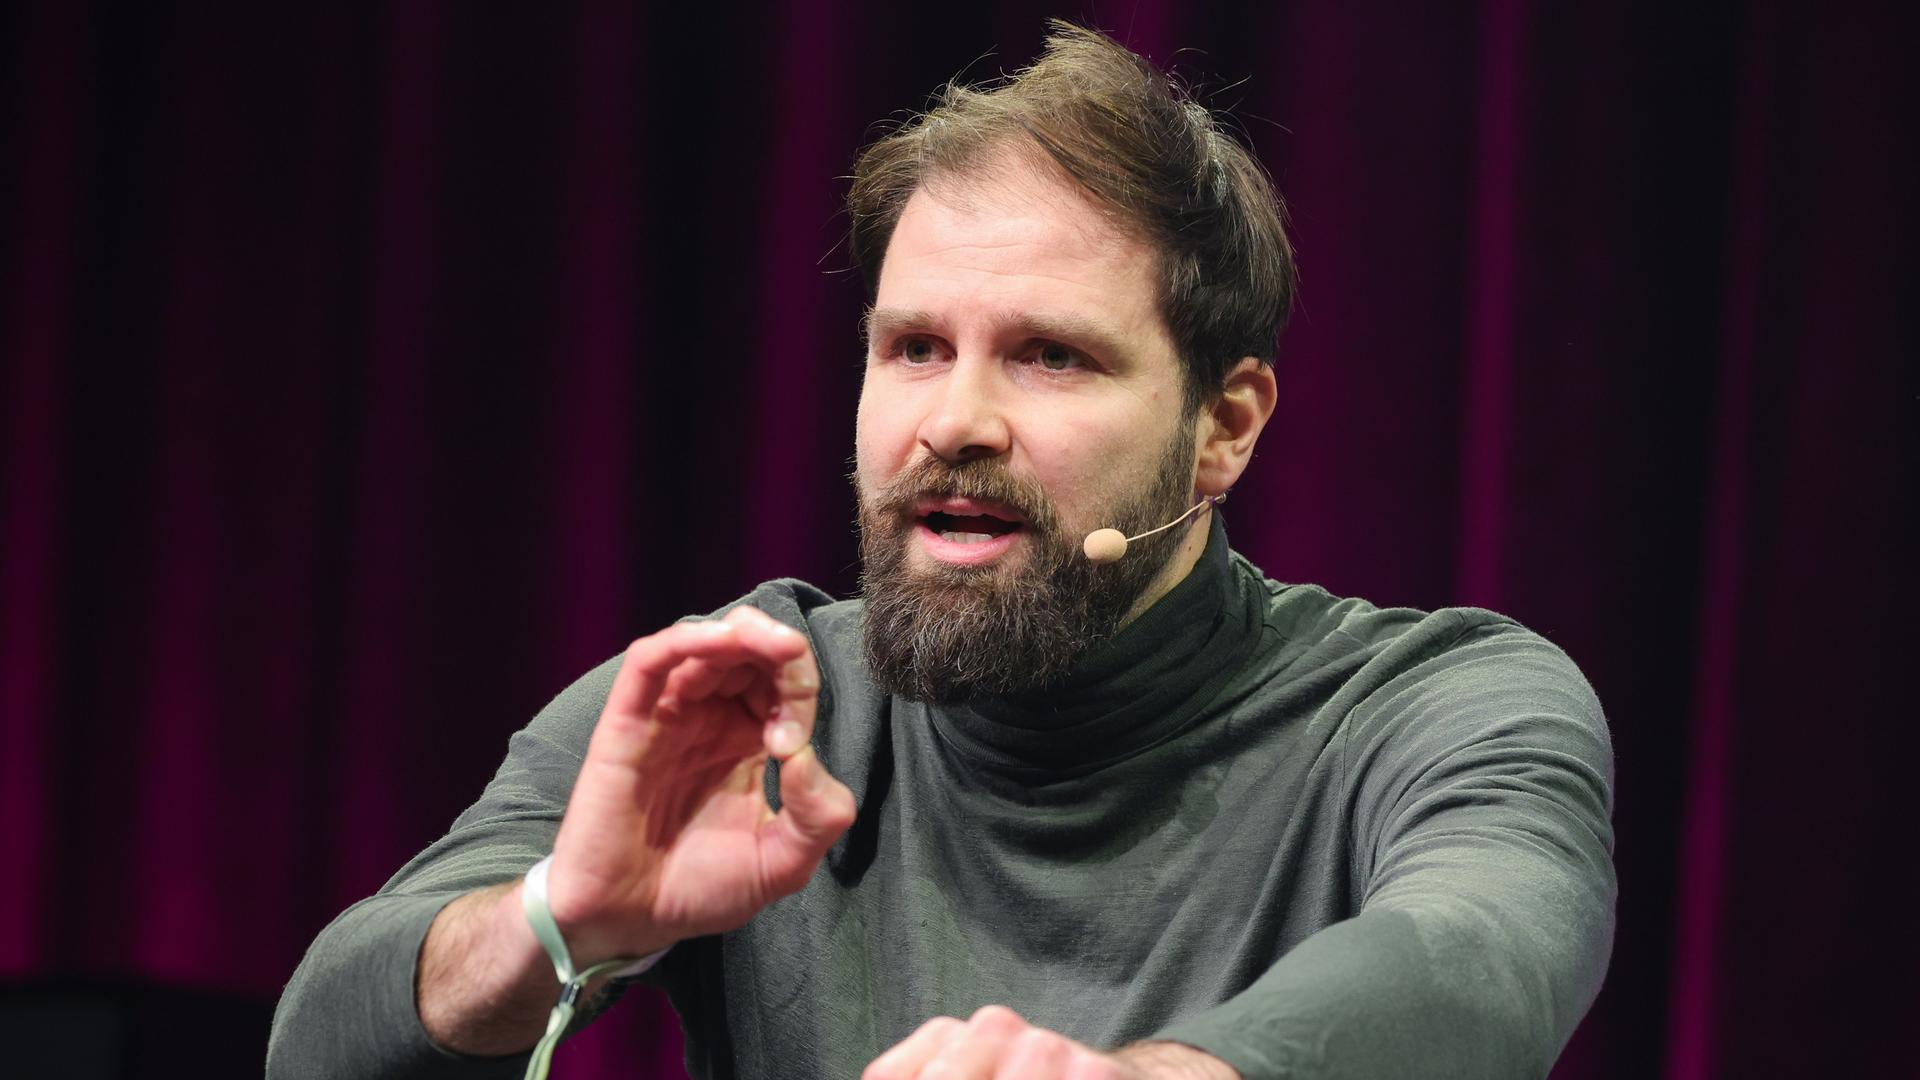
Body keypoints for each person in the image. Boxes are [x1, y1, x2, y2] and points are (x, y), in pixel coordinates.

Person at [268, 22, 1614, 1080]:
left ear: (1224, 426)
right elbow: (322, 1042)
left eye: (1051, 356)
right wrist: (562, 918)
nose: (953, 424)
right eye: (914, 348)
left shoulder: (1435, 704)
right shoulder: (757, 699)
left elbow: (1481, 954)